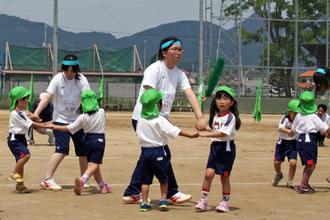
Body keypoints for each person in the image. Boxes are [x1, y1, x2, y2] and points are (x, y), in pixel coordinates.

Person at [123, 36, 207, 204]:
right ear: (164, 52)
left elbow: (190, 93)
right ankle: (171, 192)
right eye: (174, 49)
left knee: (150, 155)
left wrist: (200, 117)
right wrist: (162, 122)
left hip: (159, 119)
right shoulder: (154, 69)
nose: (178, 52)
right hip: (145, 118)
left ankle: (133, 191)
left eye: (180, 49)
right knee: (161, 154)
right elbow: (149, 94)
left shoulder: (179, 74)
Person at [32, 54, 91, 191]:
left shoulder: (82, 80)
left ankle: (84, 179)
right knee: (62, 149)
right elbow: (47, 96)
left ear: (76, 69)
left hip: (77, 121)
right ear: (63, 68)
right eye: (67, 70)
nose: (70, 73)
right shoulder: (58, 79)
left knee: (83, 151)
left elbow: (88, 98)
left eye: (73, 70)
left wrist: (90, 116)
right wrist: (36, 113)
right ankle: (47, 179)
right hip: (60, 120)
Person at [136, 89, 199, 211]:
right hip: (158, 151)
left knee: (145, 180)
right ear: (158, 105)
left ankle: (144, 203)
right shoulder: (160, 119)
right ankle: (164, 200)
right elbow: (175, 131)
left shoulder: (140, 119)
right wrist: (191, 135)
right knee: (164, 178)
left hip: (144, 152)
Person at [52, 90, 112, 195]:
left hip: (87, 141)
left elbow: (70, 128)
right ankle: (82, 180)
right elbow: (101, 112)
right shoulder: (101, 112)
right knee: (94, 165)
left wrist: (54, 126)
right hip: (99, 140)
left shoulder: (82, 117)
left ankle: (102, 186)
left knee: (94, 165)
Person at [195, 86, 241, 212]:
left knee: (224, 176)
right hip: (215, 148)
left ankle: (225, 202)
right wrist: (204, 128)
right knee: (208, 174)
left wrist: (205, 135)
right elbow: (215, 130)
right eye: (219, 98)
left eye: (226, 98)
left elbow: (222, 133)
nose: (221, 101)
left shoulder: (230, 117)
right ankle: (203, 200)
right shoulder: (216, 116)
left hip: (226, 149)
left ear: (232, 103)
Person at [7, 86, 53, 193]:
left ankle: (20, 185)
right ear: (19, 100)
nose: (27, 101)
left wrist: (42, 122)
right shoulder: (16, 113)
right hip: (15, 139)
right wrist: (48, 126)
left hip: (20, 139)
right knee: (26, 155)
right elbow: (31, 124)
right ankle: (14, 173)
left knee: (21, 161)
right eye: (25, 99)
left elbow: (29, 117)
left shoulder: (21, 111)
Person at [292, 91, 329, 193]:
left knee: (309, 164)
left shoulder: (299, 115)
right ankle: (302, 185)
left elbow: (293, 129)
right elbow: (324, 128)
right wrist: (328, 133)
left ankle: (305, 183)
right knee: (311, 164)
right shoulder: (313, 116)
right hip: (309, 141)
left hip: (300, 140)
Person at [272, 99, 299, 188]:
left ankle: (290, 180)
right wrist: (288, 131)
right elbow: (280, 128)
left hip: (293, 144)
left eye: (298, 114)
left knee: (293, 163)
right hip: (282, 143)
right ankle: (279, 174)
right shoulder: (285, 118)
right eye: (294, 113)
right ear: (289, 112)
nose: (296, 116)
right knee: (277, 162)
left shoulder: (299, 121)